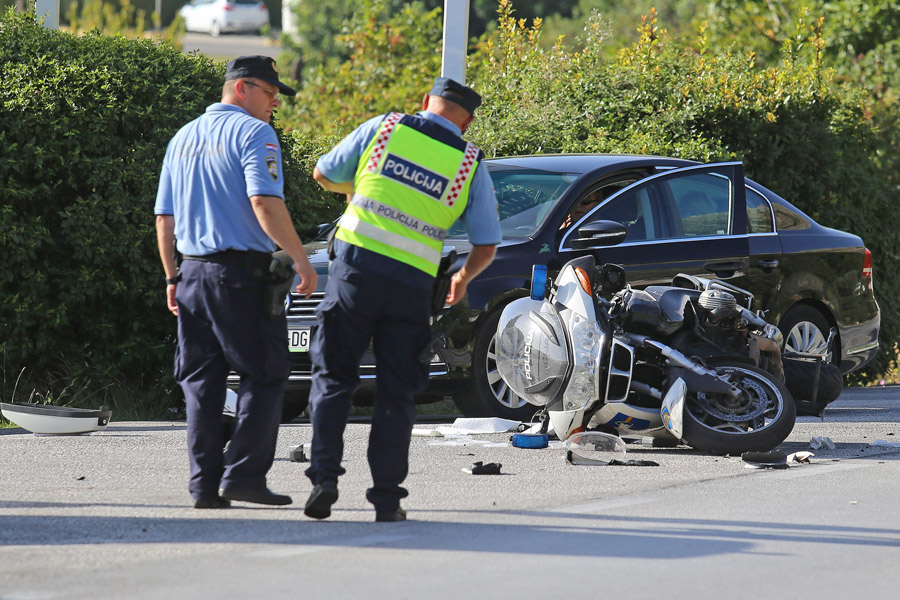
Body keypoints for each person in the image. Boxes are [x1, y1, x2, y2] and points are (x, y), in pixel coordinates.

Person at [303, 77, 501, 522]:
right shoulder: (469, 162)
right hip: (411, 290)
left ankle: (324, 480)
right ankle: (387, 501)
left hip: (353, 276)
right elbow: (487, 244)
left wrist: (356, 190)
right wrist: (463, 279)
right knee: (396, 396)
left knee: (334, 379)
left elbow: (322, 174)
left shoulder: (385, 128)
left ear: (425, 101)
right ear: (466, 122)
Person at [154, 55, 317, 509]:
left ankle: (203, 485)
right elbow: (264, 202)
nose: (273, 106)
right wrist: (302, 261)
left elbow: (164, 218)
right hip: (239, 276)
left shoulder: (182, 138)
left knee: (202, 381)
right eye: (270, 94)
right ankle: (243, 475)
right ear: (242, 88)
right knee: (265, 374)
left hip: (191, 274)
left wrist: (171, 274)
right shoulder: (254, 134)